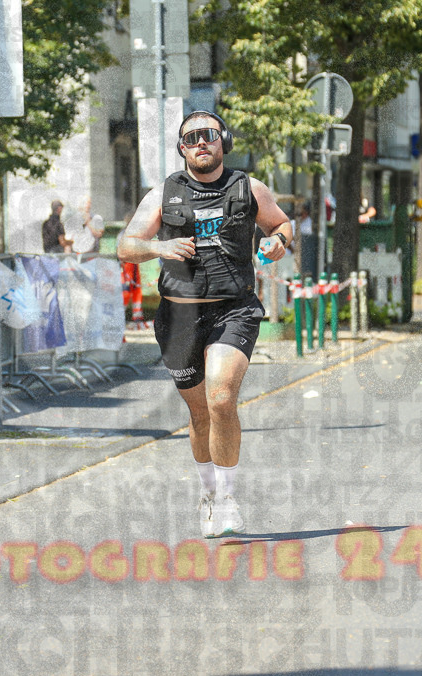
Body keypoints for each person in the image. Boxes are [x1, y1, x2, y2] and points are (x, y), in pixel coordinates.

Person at [116, 110, 293, 539]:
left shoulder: (248, 188)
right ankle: (210, 496)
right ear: (182, 148)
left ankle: (228, 498)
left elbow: (283, 224)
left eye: (208, 136)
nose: (200, 143)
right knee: (199, 414)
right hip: (179, 317)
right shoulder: (163, 194)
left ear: (222, 140)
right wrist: (160, 247)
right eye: (191, 137)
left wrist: (276, 242)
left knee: (220, 398)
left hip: (233, 309)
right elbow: (126, 246)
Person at [296, 200, 317, 278]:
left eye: (301, 214)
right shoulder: (296, 222)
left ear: (306, 213)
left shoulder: (309, 224)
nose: (300, 216)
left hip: (304, 255)